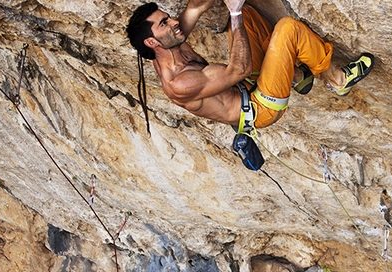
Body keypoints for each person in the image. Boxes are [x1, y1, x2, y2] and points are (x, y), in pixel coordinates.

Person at [126, 0, 373, 169]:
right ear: (151, 42)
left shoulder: (171, 42)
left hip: (247, 84)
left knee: (250, 14)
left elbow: (194, 8)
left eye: (167, 18)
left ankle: (296, 76)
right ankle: (336, 78)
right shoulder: (179, 83)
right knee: (287, 29)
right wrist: (233, 12)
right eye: (164, 24)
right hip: (260, 107)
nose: (174, 23)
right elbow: (237, 69)